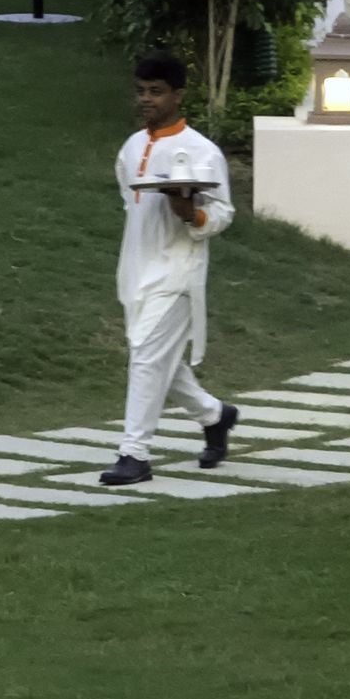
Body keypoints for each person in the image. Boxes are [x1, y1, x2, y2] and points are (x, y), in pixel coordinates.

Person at [101, 52, 242, 486]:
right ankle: (215, 415)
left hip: (180, 270)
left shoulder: (202, 150)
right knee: (156, 357)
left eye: (157, 92)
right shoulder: (131, 146)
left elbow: (222, 212)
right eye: (142, 92)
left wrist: (191, 215)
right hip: (136, 268)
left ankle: (134, 454)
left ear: (178, 96)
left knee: (146, 356)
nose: (147, 100)